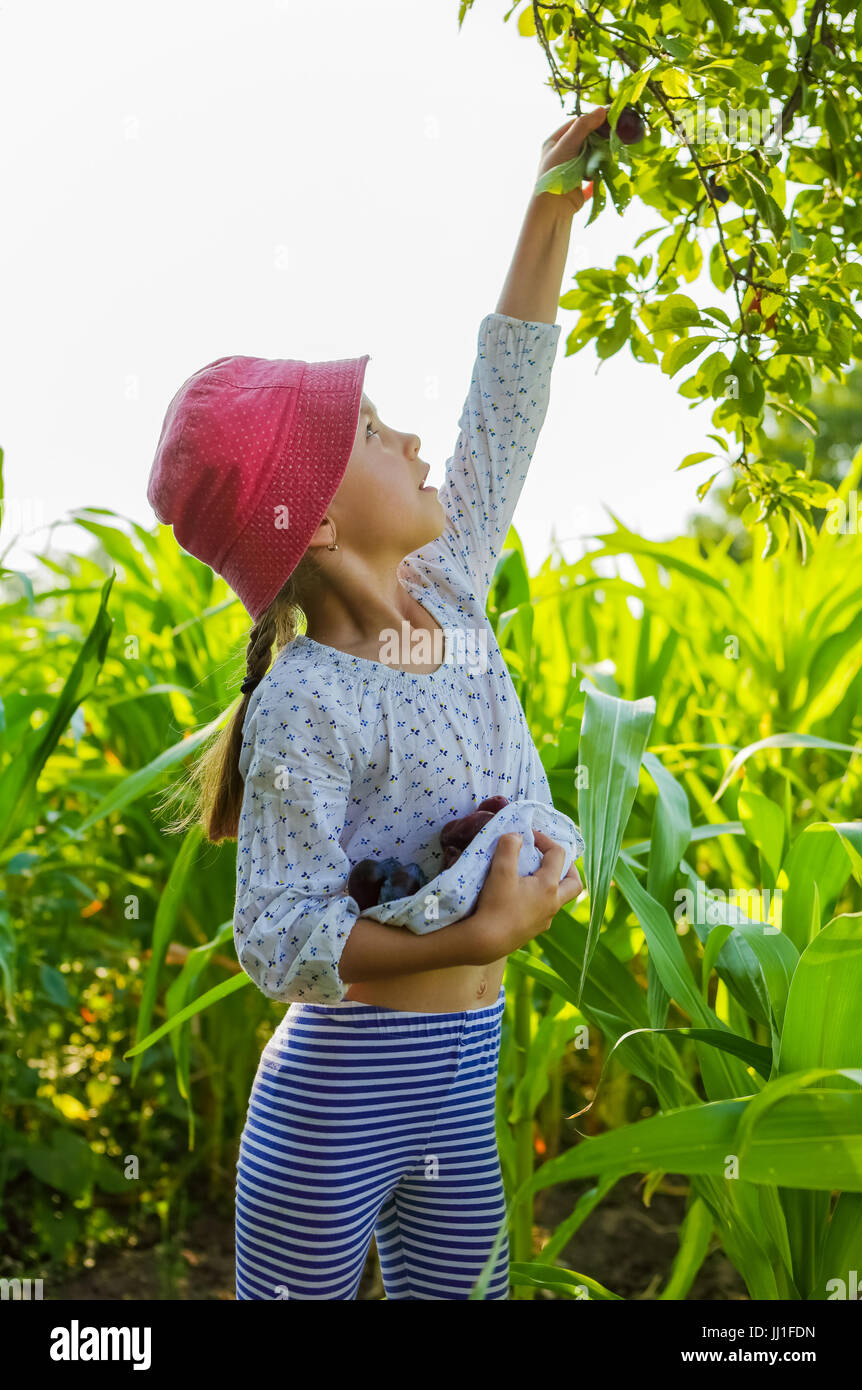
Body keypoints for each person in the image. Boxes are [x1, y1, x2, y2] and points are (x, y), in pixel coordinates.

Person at [146, 106, 606, 1301]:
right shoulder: (307, 700)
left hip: (461, 1077)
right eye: (364, 429)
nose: (408, 435)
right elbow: (279, 931)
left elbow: (504, 397)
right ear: (319, 524)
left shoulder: (450, 589)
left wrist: (552, 197)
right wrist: (478, 937)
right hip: (334, 1109)